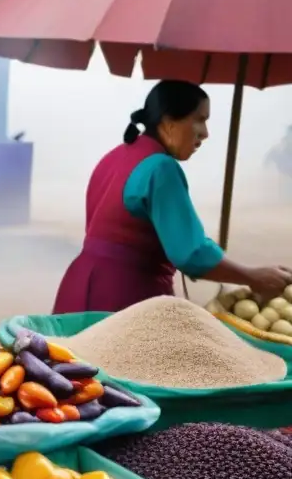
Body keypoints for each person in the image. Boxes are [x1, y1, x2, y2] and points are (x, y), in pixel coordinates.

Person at [53, 80, 292, 314]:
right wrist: (252, 277)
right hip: (124, 296)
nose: (205, 133)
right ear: (168, 123)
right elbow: (190, 253)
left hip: (80, 286)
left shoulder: (113, 157)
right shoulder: (161, 168)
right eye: (199, 120)